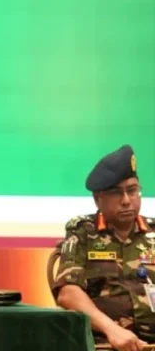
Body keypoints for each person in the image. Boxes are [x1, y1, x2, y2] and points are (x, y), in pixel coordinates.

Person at [54, 145, 152, 351]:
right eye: (116, 193)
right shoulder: (83, 232)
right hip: (105, 344)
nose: (126, 201)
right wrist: (111, 329)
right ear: (98, 199)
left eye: (132, 190)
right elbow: (68, 293)